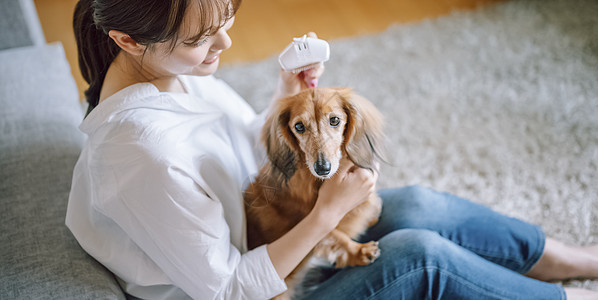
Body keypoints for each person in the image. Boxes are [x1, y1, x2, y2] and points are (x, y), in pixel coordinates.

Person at [65, 0, 598, 299]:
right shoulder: (141, 156)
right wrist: (327, 214)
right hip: (255, 291)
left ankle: (566, 260)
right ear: (128, 40)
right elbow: (229, 289)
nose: (224, 45)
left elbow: (235, 145)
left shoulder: (166, 75)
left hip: (261, 240)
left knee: (414, 204)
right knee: (418, 257)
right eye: (203, 39)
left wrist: (289, 96)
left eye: (226, 20)